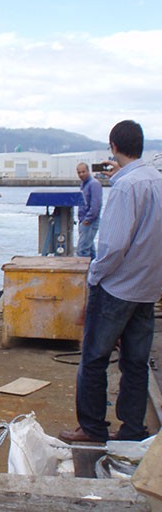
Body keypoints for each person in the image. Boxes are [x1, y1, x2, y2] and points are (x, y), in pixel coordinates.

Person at [60, 120, 162, 444]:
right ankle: (132, 429)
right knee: (135, 363)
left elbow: (113, 245)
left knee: (93, 359)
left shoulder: (125, 186)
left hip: (117, 288)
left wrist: (94, 276)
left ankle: (92, 428)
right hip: (147, 289)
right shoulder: (157, 181)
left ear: (114, 147)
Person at [75, 162, 102, 258]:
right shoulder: (83, 184)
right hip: (83, 221)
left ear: (88, 171)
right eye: (79, 172)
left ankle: (83, 272)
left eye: (83, 172)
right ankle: (94, 271)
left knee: (82, 250)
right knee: (90, 250)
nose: (81, 174)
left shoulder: (94, 184)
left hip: (90, 222)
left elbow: (96, 205)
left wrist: (88, 219)